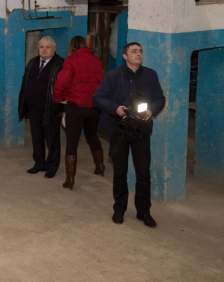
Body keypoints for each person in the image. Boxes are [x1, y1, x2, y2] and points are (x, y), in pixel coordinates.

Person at [93, 42, 165, 228]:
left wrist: (151, 110)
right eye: (134, 52)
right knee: (120, 173)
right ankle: (119, 209)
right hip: (120, 131)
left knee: (143, 174)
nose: (138, 54)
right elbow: (97, 98)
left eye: (140, 51)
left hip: (141, 132)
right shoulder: (113, 75)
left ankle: (144, 211)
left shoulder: (150, 75)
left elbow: (160, 98)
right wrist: (115, 108)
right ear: (125, 56)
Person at [53, 36, 104, 190]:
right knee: (92, 136)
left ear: (72, 46)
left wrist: (58, 98)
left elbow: (61, 82)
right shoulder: (97, 61)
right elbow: (101, 82)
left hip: (75, 106)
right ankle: (100, 166)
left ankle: (70, 179)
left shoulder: (71, 61)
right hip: (93, 107)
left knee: (72, 142)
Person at [18, 36, 64, 178]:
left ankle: (52, 167)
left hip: (50, 110)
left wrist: (62, 109)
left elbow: (64, 87)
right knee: (37, 139)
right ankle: (39, 163)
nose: (44, 50)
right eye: (41, 47)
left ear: (54, 49)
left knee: (52, 141)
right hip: (34, 109)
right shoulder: (32, 62)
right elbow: (25, 82)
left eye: (48, 47)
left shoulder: (60, 64)